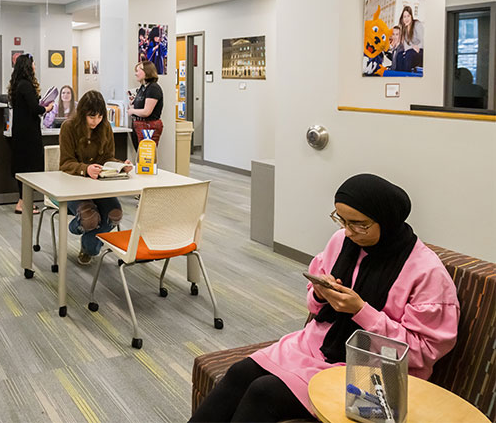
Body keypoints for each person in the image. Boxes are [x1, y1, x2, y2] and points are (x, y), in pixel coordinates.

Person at [190, 173, 459, 422]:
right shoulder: (342, 241)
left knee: (265, 392)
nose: (349, 232)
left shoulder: (426, 272)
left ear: (386, 221)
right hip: (318, 346)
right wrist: (320, 294)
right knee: (240, 373)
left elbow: (423, 353)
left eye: (359, 225)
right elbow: (317, 309)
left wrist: (361, 311)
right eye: (342, 220)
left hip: (375, 373)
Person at [59, 90, 133, 266]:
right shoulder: (69, 127)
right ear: (83, 113)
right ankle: (75, 227)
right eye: (92, 117)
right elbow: (65, 163)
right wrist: (85, 169)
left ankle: (88, 247)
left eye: (100, 116)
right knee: (90, 218)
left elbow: (108, 158)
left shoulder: (105, 127)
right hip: (73, 188)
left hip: (100, 186)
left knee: (115, 215)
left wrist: (121, 165)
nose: (96, 121)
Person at [9, 53, 54, 214]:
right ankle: (23, 202)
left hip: (21, 132)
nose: (35, 66)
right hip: (28, 133)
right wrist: (46, 108)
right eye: (33, 64)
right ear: (28, 67)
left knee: (22, 166)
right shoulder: (26, 85)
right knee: (29, 167)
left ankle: (23, 201)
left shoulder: (17, 84)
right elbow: (35, 109)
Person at [127, 60, 164, 150]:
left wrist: (132, 111)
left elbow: (146, 112)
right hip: (138, 124)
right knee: (140, 154)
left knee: (146, 156)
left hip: (148, 125)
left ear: (147, 72)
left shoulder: (153, 88)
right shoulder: (143, 87)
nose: (136, 74)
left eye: (138, 71)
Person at [398, 6, 424, 72]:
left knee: (409, 54)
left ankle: (407, 75)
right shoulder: (404, 29)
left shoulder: (417, 24)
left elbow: (423, 40)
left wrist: (417, 47)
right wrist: (411, 47)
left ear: (411, 16)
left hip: (421, 50)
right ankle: (400, 75)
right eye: (404, 17)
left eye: (408, 16)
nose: (406, 19)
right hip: (412, 50)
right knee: (400, 55)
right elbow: (406, 46)